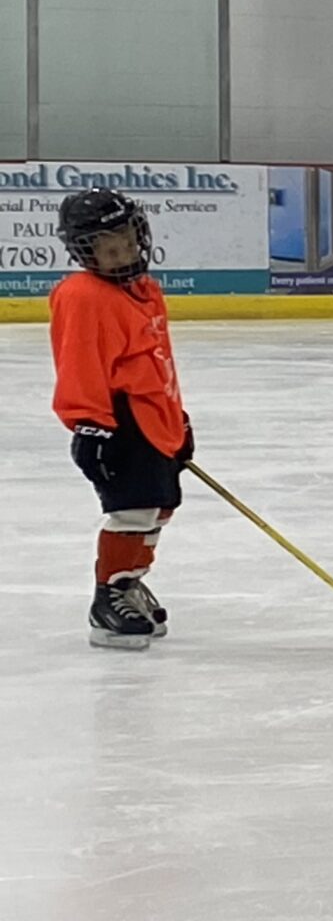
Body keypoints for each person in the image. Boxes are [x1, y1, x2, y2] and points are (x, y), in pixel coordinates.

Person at [50, 189, 193, 651]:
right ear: (84, 252)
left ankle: (129, 581)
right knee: (131, 510)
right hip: (121, 424)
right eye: (108, 249)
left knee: (157, 508)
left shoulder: (144, 289)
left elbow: (156, 363)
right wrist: (90, 426)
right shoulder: (83, 296)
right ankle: (108, 598)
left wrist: (178, 420)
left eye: (128, 241)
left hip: (156, 421)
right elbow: (80, 365)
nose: (123, 254)